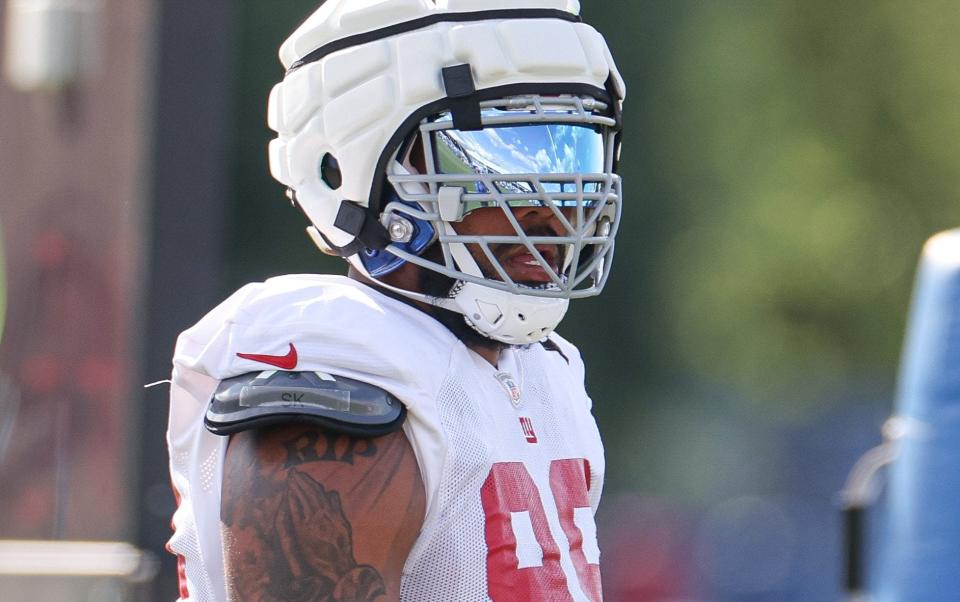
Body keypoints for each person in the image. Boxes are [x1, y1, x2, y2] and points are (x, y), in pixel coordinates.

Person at [166, 1, 625, 600]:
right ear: (366, 169)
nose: (554, 208)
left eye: (573, 155)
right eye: (507, 161)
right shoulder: (347, 372)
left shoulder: (547, 371)